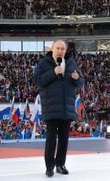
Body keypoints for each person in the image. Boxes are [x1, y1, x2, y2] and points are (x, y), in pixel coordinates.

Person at [34, 40, 84, 177]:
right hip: (51, 107)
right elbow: (37, 81)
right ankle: (49, 167)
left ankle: (60, 164)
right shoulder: (44, 63)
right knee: (51, 139)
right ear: (52, 48)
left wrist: (76, 77)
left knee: (64, 139)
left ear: (66, 50)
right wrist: (53, 72)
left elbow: (80, 82)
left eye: (63, 48)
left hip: (66, 107)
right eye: (58, 48)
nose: (60, 50)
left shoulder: (71, 62)